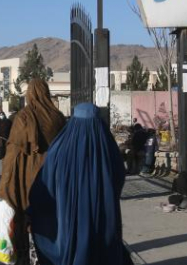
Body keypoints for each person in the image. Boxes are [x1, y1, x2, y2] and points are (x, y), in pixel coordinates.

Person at [28, 103, 128, 265]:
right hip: (102, 216)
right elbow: (118, 178)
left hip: (66, 218)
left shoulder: (59, 149)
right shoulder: (107, 148)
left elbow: (43, 186)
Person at [0, 78, 66, 265]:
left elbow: (12, 156)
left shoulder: (23, 117)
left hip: (26, 180)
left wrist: (5, 188)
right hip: (53, 179)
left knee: (26, 225)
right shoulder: (58, 118)